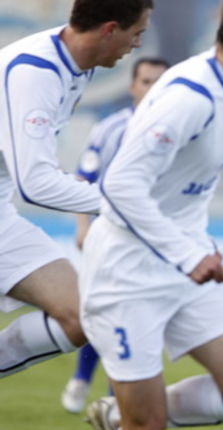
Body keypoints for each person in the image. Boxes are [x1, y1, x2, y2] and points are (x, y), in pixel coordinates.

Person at [81, 1, 223, 429]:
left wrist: (195, 243)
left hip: (185, 264)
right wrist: (188, 253)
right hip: (127, 274)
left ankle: (120, 416)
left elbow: (186, 181)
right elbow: (120, 184)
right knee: (148, 425)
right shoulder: (189, 97)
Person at [0, 0, 151, 379]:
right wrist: (124, 204)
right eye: (137, 34)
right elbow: (34, 183)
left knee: (84, 314)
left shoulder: (75, 67)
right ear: (109, 29)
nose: (137, 46)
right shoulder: (37, 70)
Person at [60, 56, 169, 414]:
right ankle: (83, 379)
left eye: (160, 81)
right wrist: (82, 226)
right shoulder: (111, 130)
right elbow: (85, 179)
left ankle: (112, 402)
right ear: (132, 85)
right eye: (146, 80)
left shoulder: (179, 130)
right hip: (111, 240)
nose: (153, 88)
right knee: (106, 315)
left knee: (138, 323)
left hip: (155, 245)